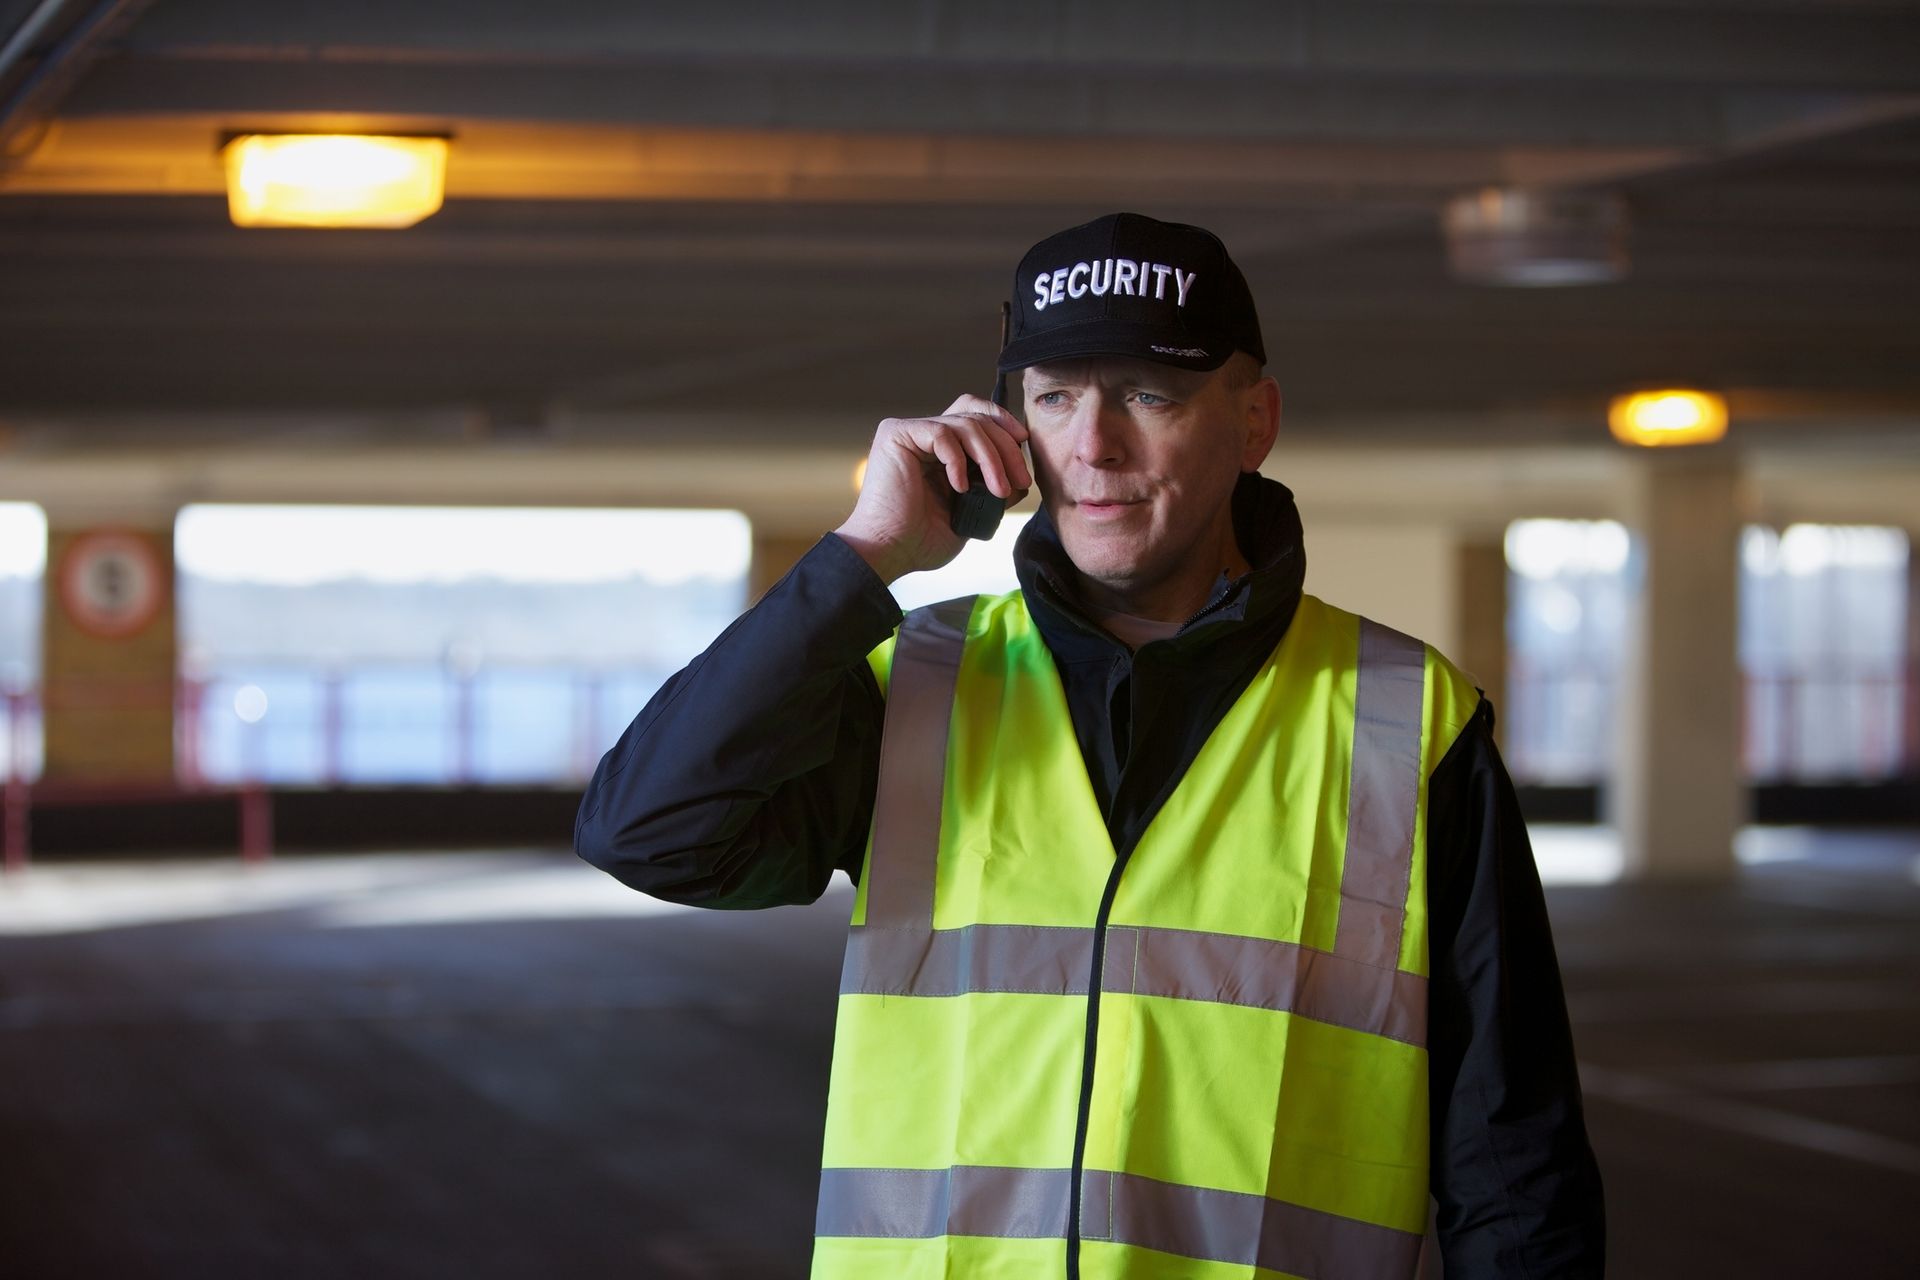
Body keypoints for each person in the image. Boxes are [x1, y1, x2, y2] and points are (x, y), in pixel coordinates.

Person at [575, 212, 1605, 1278]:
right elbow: (650, 832)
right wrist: (865, 557)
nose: (1094, 446)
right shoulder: (920, 683)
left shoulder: (1407, 718)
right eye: (1055, 396)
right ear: (1011, 424)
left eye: (1148, 394)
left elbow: (1515, 1161)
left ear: (1255, 422)